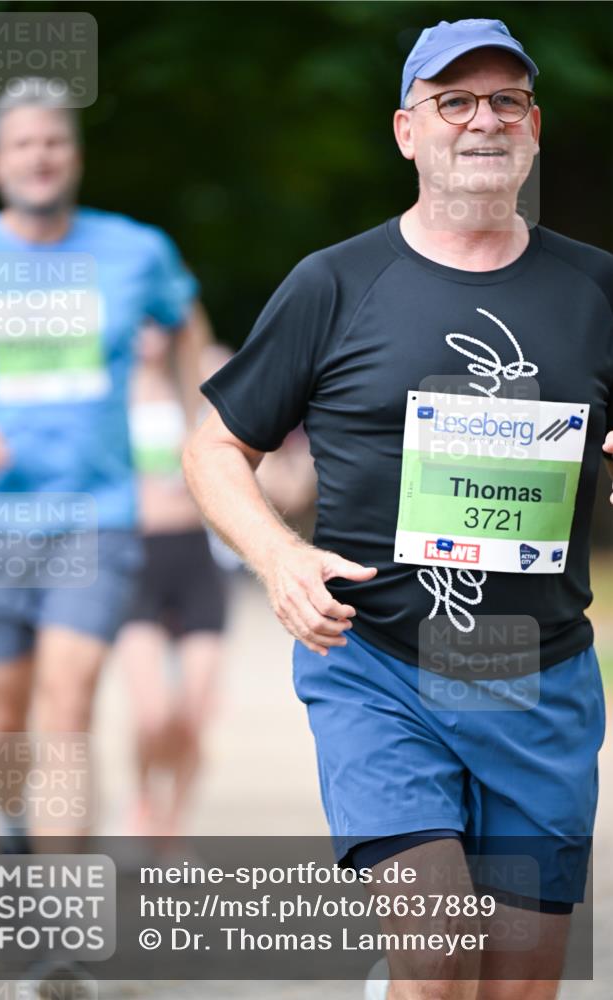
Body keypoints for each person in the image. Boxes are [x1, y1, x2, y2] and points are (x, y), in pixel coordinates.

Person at [183, 18, 613, 1000]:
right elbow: (214, 448)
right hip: (381, 665)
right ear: (405, 130)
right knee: (435, 953)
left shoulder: (596, 288)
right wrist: (280, 557)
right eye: (453, 102)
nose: (482, 121)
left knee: (516, 983)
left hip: (534, 674)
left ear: (534, 128)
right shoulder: (334, 283)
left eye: (505, 100)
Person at [0, 78, 204, 844]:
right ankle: (14, 834)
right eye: (23, 144)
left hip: (95, 516)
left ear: (76, 156)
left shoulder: (135, 251)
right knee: (2, 719)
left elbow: (188, 332)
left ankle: (58, 923)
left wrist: (202, 438)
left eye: (54, 141)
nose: (40, 156)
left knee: (69, 702)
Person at [116, 322, 228, 843]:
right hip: (135, 557)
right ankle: (141, 801)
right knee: (154, 713)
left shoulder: (199, 385)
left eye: (159, 319)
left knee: (193, 714)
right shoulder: (110, 391)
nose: (149, 332)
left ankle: (172, 829)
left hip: (194, 559)